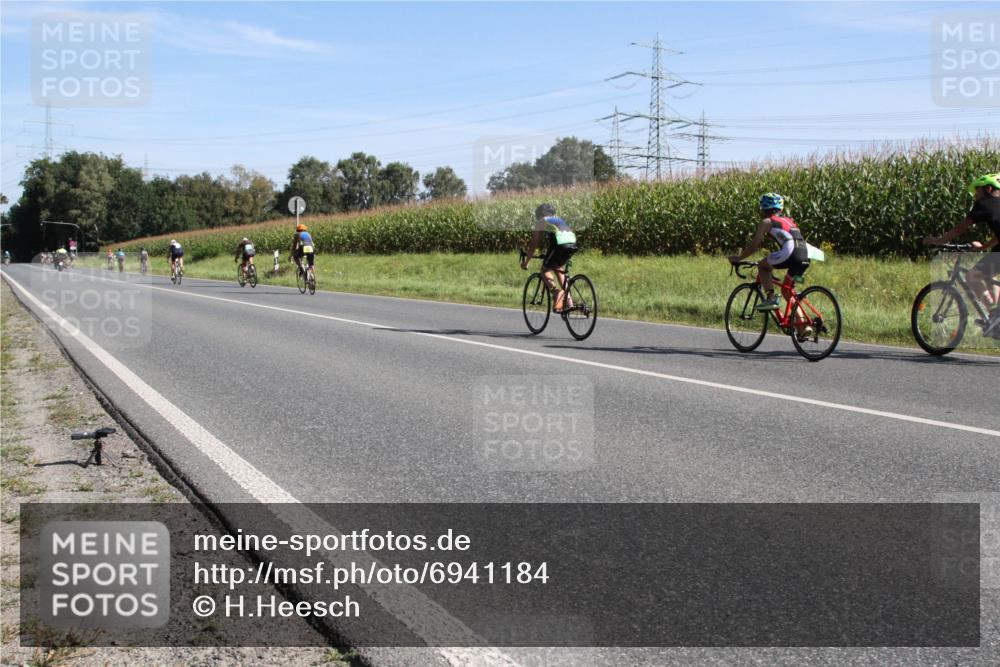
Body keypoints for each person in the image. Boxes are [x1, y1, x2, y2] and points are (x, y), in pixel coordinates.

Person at [924, 173, 1000, 336]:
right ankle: (996, 318)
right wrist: (983, 247)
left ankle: (994, 314)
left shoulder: (984, 204)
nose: (976, 196)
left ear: (988, 189)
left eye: (977, 191)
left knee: (973, 276)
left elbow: (960, 228)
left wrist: (938, 240)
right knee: (990, 271)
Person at [728, 193, 810, 311]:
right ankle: (803, 326)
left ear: (764, 208)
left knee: (763, 266)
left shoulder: (766, 221)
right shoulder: (789, 220)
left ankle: (771, 298)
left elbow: (754, 246)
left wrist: (739, 258)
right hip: (804, 254)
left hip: (791, 251)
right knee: (786, 291)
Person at [520, 203, 578, 312]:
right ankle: (569, 302)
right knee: (558, 269)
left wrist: (527, 262)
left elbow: (534, 244)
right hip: (572, 244)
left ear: (541, 213)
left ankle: (556, 292)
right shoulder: (559, 219)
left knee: (544, 270)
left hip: (559, 244)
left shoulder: (541, 221)